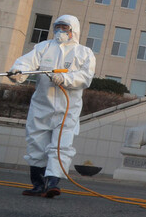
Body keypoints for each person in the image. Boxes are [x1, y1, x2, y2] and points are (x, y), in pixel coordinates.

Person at [7, 14, 96, 198]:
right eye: (58, 27)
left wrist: (66, 78)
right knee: (36, 144)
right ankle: (38, 184)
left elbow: (86, 77)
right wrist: (17, 71)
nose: (60, 31)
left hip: (67, 110)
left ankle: (53, 183)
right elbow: (27, 62)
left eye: (65, 28)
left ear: (74, 31)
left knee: (61, 147)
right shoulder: (44, 47)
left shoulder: (84, 53)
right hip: (42, 106)